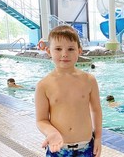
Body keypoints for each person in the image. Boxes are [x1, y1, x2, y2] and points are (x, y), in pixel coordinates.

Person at [35, 25, 102, 157]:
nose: (65, 54)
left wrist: (98, 138)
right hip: (58, 148)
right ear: (48, 51)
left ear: (79, 51)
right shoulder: (44, 85)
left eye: (71, 49)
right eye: (58, 49)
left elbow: (96, 110)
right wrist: (51, 133)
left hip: (86, 146)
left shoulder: (89, 80)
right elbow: (41, 120)